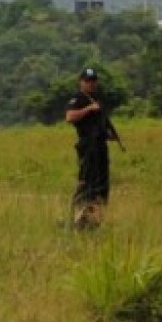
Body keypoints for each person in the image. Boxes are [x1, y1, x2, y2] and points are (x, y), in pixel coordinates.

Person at [65, 67, 117, 230]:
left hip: (100, 145)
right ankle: (78, 216)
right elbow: (70, 117)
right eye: (88, 81)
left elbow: (101, 120)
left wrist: (108, 133)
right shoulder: (78, 98)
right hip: (88, 145)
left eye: (93, 81)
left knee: (101, 182)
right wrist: (88, 109)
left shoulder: (98, 99)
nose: (91, 84)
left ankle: (95, 218)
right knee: (86, 180)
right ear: (81, 82)